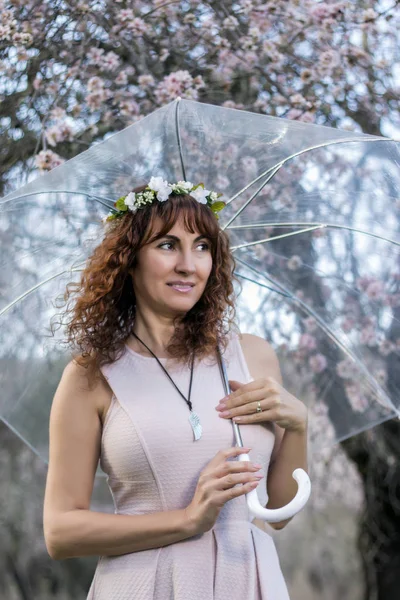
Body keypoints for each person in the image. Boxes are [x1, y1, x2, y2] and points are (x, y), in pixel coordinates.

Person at [43, 177, 308, 599]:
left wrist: (298, 427)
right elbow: (61, 531)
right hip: (144, 583)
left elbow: (277, 514)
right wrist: (187, 520)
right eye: (168, 245)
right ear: (129, 259)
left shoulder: (252, 357)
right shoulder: (90, 376)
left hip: (247, 580)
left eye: (203, 246)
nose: (189, 264)